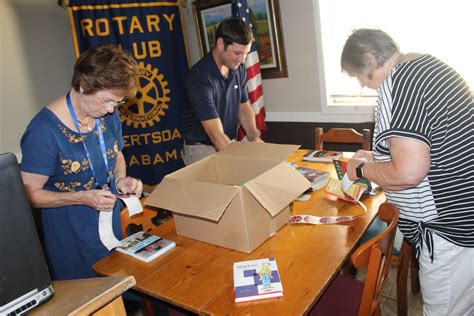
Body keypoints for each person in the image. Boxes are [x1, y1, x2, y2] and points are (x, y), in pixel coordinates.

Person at [342, 29, 474, 315]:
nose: (366, 86)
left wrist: (364, 168)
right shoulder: (427, 68)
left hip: (449, 230)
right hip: (464, 221)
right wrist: (376, 155)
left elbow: (409, 171)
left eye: (361, 78)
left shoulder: (401, 81)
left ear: (370, 59)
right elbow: (429, 146)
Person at [20, 44, 143, 280]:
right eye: (106, 101)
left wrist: (120, 181)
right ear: (83, 86)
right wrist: (81, 197)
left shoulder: (108, 116)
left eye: (116, 104)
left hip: (109, 218)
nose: (110, 110)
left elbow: (117, 155)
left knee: (118, 287)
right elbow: (29, 194)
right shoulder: (43, 131)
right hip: (70, 230)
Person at [182, 18, 263, 165]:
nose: (243, 60)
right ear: (220, 44)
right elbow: (215, 134)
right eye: (238, 53)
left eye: (245, 53)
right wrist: (241, 161)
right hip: (202, 149)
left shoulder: (237, 68)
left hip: (227, 142)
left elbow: (243, 107)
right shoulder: (198, 78)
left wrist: (254, 136)